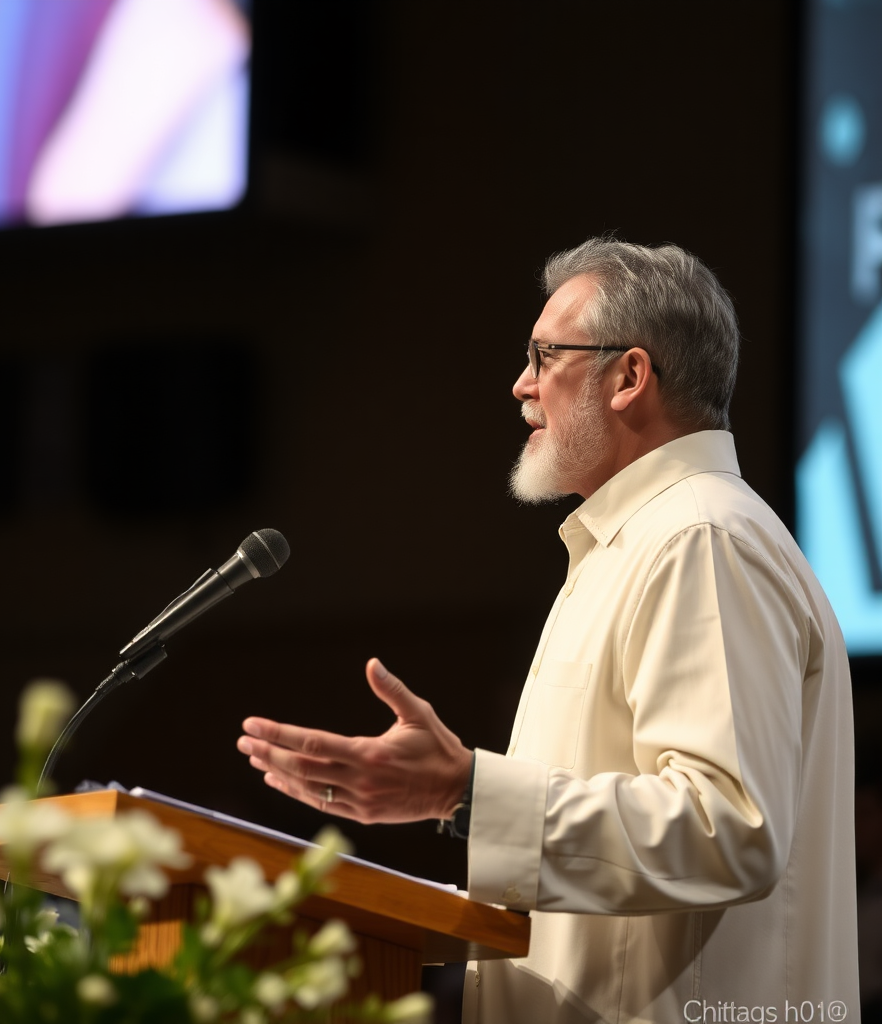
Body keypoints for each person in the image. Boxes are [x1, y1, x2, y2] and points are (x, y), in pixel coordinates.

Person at [237, 238, 859, 1023]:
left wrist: (465, 789)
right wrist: (465, 801)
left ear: (630, 376)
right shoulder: (639, 543)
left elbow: (726, 826)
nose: (521, 385)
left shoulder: (701, 539)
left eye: (544, 355)